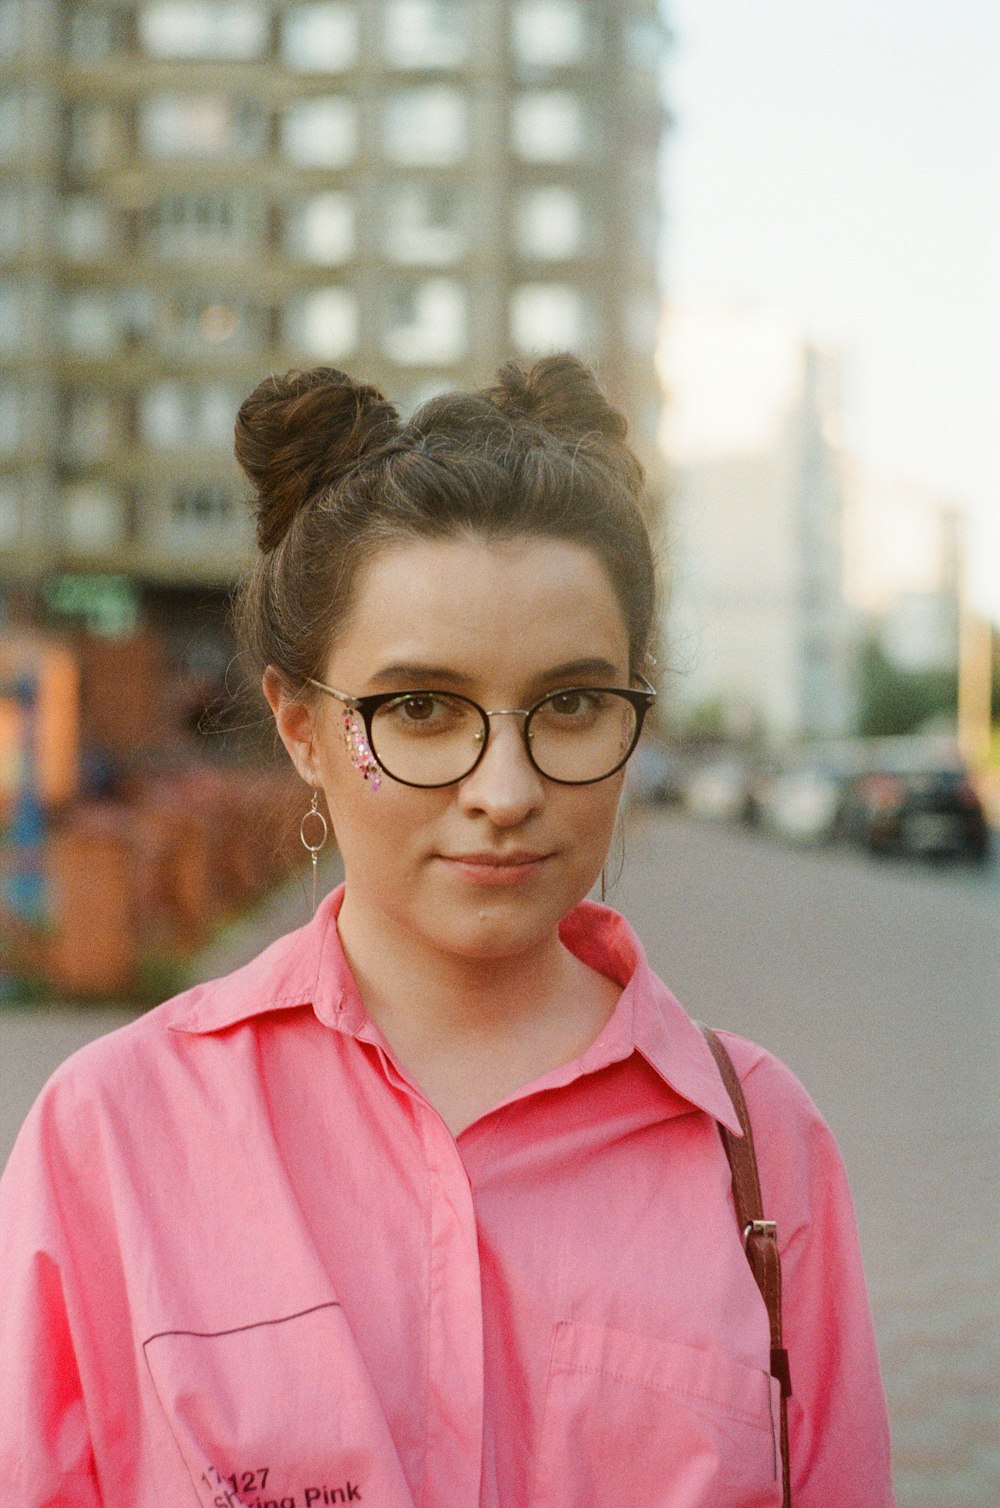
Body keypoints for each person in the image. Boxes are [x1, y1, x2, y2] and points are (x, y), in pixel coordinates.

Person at [0, 356, 894, 1507]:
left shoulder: (759, 1144)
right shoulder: (112, 1134)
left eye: (570, 703)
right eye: (421, 708)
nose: (507, 787)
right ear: (302, 728)